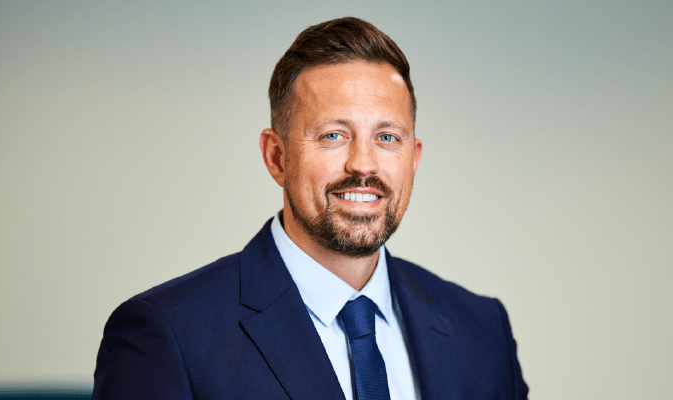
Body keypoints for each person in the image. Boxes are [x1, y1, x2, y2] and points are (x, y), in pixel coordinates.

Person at [92, 17, 528, 400]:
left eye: (387, 138)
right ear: (277, 157)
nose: (363, 164)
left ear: (413, 160)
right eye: (333, 135)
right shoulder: (167, 336)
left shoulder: (482, 331)